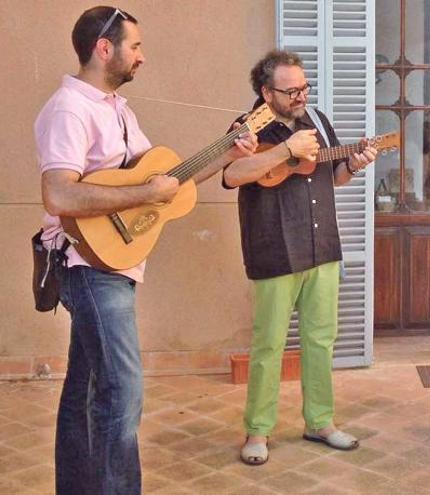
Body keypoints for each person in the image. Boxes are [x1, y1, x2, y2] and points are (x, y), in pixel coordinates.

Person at [36, 7, 256, 493]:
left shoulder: (117, 109)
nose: (142, 56)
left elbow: (166, 187)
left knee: (87, 387)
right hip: (87, 266)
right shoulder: (70, 109)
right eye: (135, 46)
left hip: (115, 263)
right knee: (123, 391)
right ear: (103, 48)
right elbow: (60, 195)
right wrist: (143, 194)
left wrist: (227, 151)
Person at [223, 50, 377, 465]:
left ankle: (320, 422)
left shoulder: (320, 123)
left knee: (320, 341)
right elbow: (231, 175)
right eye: (291, 90)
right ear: (266, 91)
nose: (300, 96)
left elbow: (336, 176)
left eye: (304, 88)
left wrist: (355, 164)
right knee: (269, 345)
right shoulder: (247, 127)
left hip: (322, 246)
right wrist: (282, 152)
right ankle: (258, 431)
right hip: (274, 249)